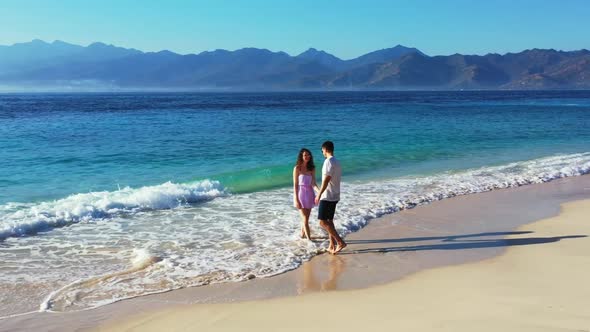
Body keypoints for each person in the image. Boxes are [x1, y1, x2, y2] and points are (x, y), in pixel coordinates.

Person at [315, 141, 347, 254]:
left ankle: (340, 242)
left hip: (327, 195)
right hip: (335, 195)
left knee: (322, 222)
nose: (322, 153)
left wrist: (319, 194)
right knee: (329, 221)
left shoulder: (328, 161)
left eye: (322, 150)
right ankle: (332, 245)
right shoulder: (337, 162)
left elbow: (326, 179)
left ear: (325, 150)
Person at [293, 148, 319, 240]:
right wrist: (296, 199)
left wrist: (319, 192)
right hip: (301, 194)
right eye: (305, 155)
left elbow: (313, 183)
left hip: (310, 194)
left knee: (306, 219)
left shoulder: (312, 168)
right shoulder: (297, 168)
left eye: (308, 155)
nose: (307, 156)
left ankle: (302, 235)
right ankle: (309, 240)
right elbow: (295, 184)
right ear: (301, 156)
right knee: (305, 219)